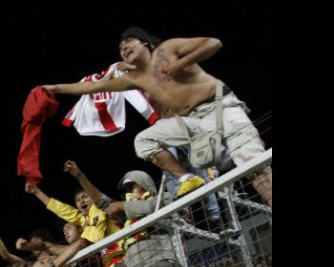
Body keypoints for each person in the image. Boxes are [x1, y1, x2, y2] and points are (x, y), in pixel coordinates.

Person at [43, 27, 271, 206]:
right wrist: (55, 89)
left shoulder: (167, 50)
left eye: (129, 42)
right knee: (143, 140)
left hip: (222, 108)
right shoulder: (136, 79)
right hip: (192, 122)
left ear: (145, 42)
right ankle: (186, 178)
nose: (124, 48)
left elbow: (214, 43)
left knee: (253, 166)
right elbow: (93, 88)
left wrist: (181, 63)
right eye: (120, 47)